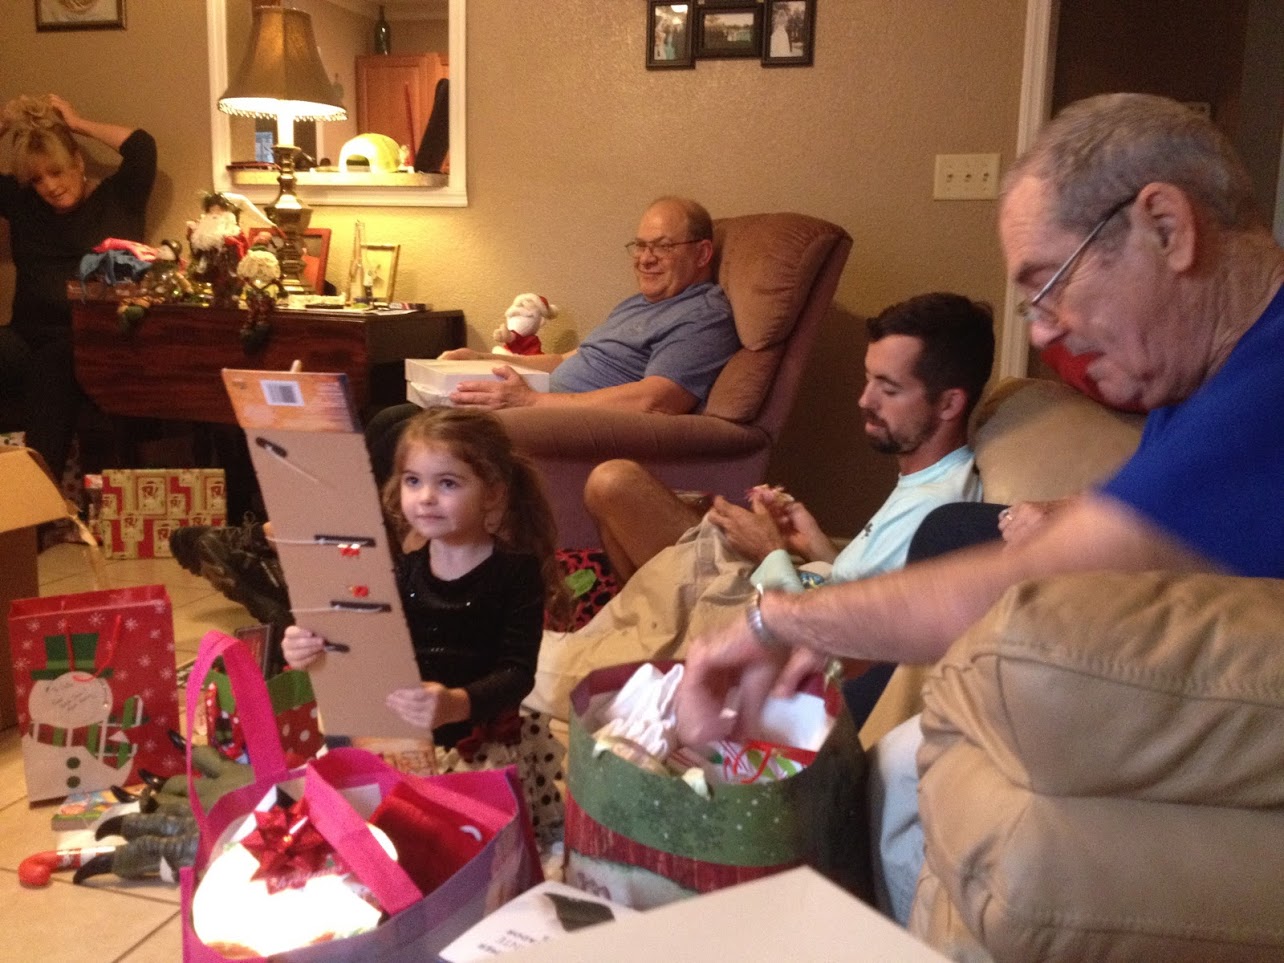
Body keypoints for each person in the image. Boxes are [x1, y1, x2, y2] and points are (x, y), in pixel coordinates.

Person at [674, 92, 1284, 925]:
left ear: (1167, 228)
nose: (1045, 332)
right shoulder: (1202, 387)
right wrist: (1079, 513)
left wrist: (775, 622)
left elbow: (1043, 576)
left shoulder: (1267, 383)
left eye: (1050, 284)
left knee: (902, 768)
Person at [281, 406, 571, 839]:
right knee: (357, 818)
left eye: (448, 483)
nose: (426, 497)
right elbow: (367, 644)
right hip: (406, 739)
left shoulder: (515, 573)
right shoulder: (406, 571)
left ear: (493, 493)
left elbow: (517, 673)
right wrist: (312, 647)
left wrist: (456, 703)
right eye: (413, 481)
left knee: (462, 843)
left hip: (478, 743)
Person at [583, 292, 996, 589]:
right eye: (868, 378)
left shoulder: (936, 510)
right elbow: (857, 588)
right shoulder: (925, 481)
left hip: (769, 630)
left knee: (614, 483)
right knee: (628, 500)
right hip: (786, 595)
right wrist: (813, 545)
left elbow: (845, 645)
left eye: (888, 389)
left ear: (949, 404)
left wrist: (768, 551)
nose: (864, 400)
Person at [438, 195, 739, 413]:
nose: (645, 259)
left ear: (702, 254)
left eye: (663, 246)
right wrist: (479, 358)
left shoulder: (703, 316)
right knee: (412, 413)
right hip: (542, 408)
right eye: (641, 246)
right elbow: (563, 360)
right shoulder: (637, 304)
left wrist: (531, 401)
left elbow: (655, 401)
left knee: (419, 429)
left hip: (569, 428)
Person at [0, 94, 156, 481]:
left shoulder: (118, 198)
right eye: (38, 179)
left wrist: (78, 124)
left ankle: (40, 494)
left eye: (56, 172)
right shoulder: (24, 205)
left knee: (53, 364)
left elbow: (141, 146)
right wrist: (4, 126)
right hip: (25, 338)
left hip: (91, 341)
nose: (50, 187)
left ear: (78, 162)